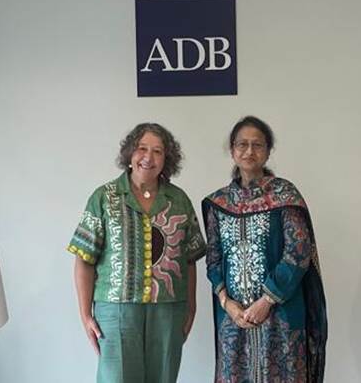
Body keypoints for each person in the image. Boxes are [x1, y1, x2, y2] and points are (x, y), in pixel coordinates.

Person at [67, 122, 206, 383]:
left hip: (168, 310)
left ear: (167, 159)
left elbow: (189, 260)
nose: (148, 157)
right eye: (142, 148)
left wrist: (191, 308)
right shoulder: (104, 198)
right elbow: (84, 259)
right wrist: (86, 315)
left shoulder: (179, 200)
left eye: (158, 151)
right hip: (116, 310)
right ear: (130, 154)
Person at [203, 115, 327, 383]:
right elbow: (213, 259)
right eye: (242, 144)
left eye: (257, 145)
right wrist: (227, 303)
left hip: (280, 315)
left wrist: (267, 301)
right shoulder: (218, 203)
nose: (249, 151)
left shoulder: (285, 196)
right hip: (233, 321)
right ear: (232, 150)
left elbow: (298, 253)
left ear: (268, 151)